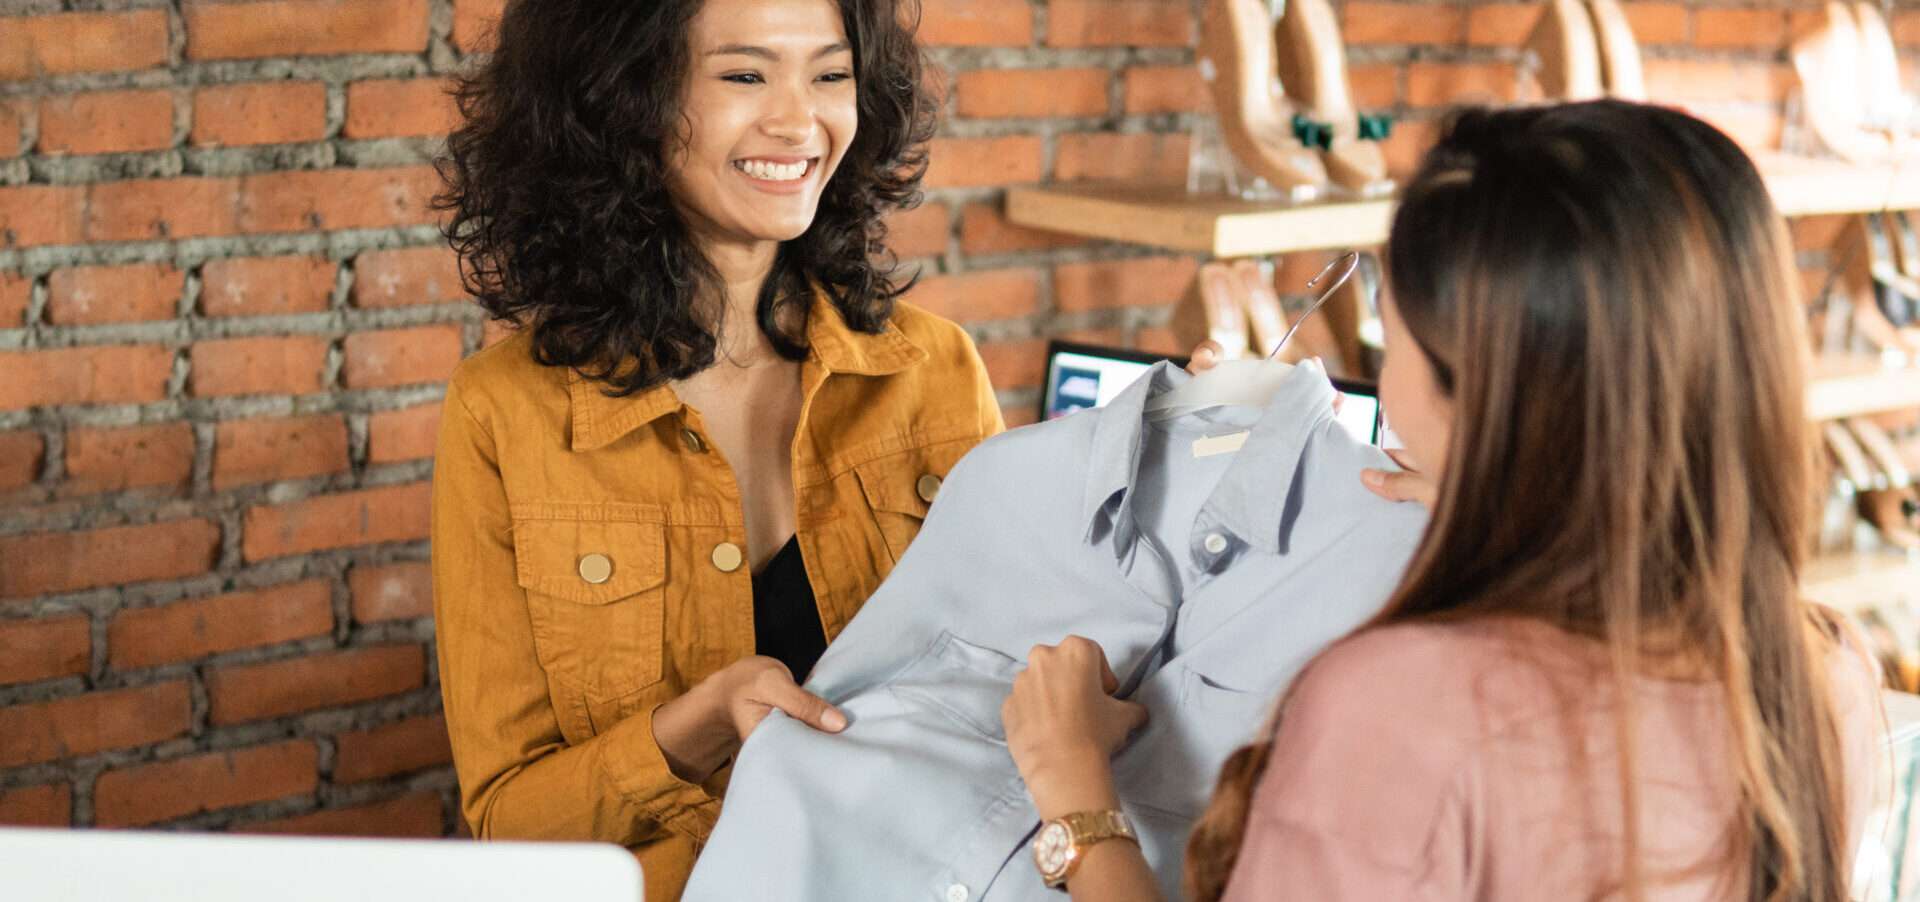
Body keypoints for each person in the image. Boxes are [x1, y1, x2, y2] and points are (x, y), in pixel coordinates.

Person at [1000, 100, 1887, 901]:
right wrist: (1512, 500)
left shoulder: (1398, 712)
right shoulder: (1819, 681)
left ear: (1480, 391)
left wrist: (1075, 797)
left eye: (1401, 332)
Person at [427, 1, 1001, 898]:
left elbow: (1025, 681)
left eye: (829, 74)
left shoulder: (935, 370)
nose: (797, 120)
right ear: (623, 99)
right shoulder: (505, 415)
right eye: (744, 74)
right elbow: (510, 816)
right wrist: (700, 726)